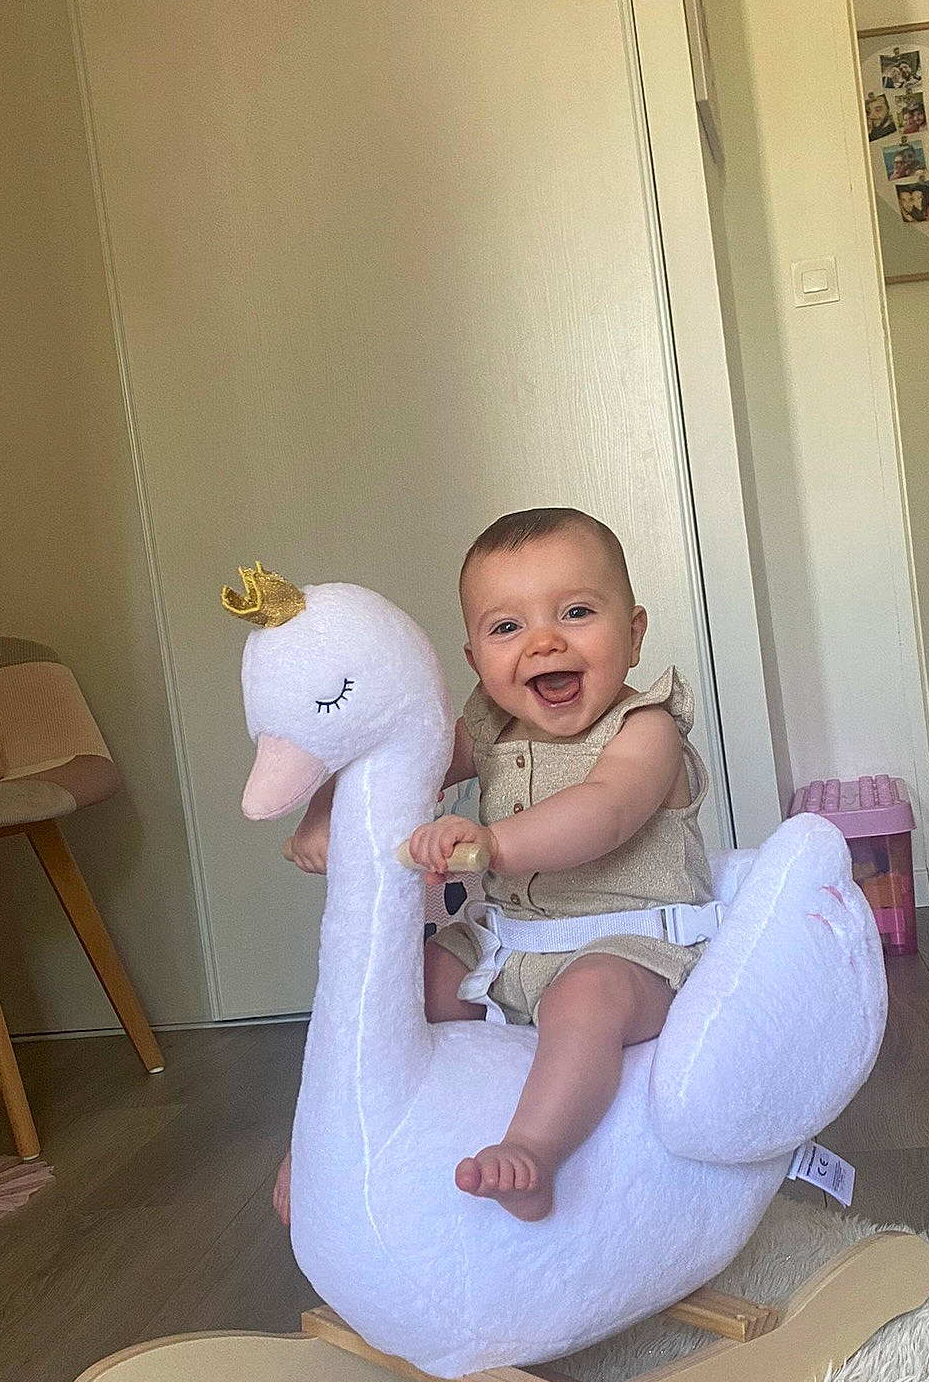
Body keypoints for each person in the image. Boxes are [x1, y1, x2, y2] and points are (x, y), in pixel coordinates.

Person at [278, 508, 717, 1224]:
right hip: (504, 945)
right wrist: (327, 815)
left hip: (633, 948)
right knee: (391, 985)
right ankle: (323, 1136)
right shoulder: (486, 726)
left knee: (588, 1000)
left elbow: (604, 811)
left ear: (633, 635)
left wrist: (492, 843)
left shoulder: (648, 728)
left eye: (576, 612)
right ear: (476, 658)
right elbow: (397, 769)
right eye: (506, 628)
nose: (544, 641)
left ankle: (535, 1152)